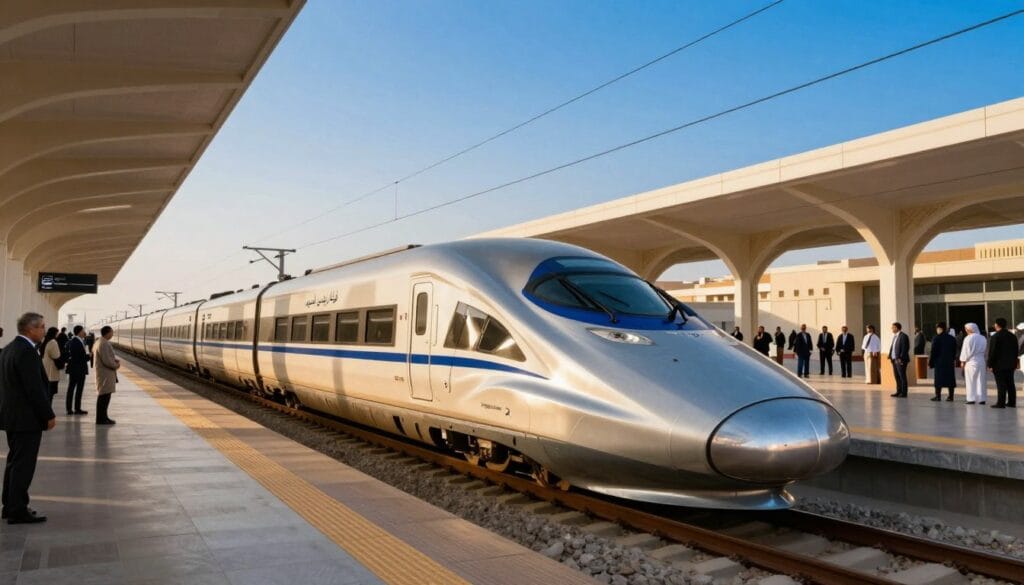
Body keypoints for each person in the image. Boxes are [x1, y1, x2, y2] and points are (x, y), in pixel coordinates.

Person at [0, 312, 57, 524]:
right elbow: (34, 390)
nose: (44, 330)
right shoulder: (26, 352)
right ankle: (17, 510)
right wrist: (48, 415)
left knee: (15, 463)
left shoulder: (8, 349)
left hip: (13, 418)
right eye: (42, 326)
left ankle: (10, 505)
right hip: (26, 420)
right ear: (30, 329)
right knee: (23, 465)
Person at [987, 318, 1018, 409]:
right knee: (1010, 383)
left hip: (999, 364)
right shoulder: (1012, 336)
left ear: (997, 325)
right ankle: (1012, 402)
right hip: (1010, 364)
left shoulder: (996, 336)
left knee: (1001, 384)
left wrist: (990, 364)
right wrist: (1015, 362)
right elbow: (1016, 350)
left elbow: (992, 352)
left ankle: (1001, 403)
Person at [94, 326, 120, 425]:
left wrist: (113, 360)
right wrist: (116, 365)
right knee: (104, 397)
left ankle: (104, 417)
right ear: (107, 333)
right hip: (105, 374)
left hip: (104, 374)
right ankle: (101, 419)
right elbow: (107, 361)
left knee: (105, 397)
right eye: (112, 332)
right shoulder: (104, 343)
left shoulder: (100, 342)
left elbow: (106, 358)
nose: (113, 334)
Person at [928, 322, 957, 402]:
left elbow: (933, 351)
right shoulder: (952, 338)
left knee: (938, 380)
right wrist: (953, 359)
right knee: (950, 379)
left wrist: (931, 363)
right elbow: (954, 351)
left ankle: (938, 396)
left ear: (939, 329)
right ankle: (951, 396)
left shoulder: (936, 338)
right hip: (949, 362)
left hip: (939, 362)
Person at [960, 323, 987, 405]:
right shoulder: (983, 338)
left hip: (971, 362)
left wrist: (962, 361)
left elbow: (965, 352)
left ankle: (971, 398)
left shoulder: (968, 338)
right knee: (981, 380)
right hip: (981, 361)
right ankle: (982, 398)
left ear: (969, 329)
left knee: (970, 381)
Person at [65, 326, 89, 416]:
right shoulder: (75, 341)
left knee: (78, 389)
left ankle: (77, 408)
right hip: (77, 369)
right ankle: (70, 409)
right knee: (72, 389)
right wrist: (88, 356)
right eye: (83, 331)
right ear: (79, 332)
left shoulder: (78, 341)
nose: (84, 332)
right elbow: (78, 356)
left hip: (78, 369)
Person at [38, 328, 62, 405]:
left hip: (45, 371)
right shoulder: (53, 342)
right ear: (54, 333)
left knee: (46, 395)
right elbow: (56, 356)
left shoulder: (45, 341)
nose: (58, 335)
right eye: (57, 333)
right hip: (51, 373)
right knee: (50, 395)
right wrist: (62, 365)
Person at [889, 322, 910, 398]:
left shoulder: (903, 336)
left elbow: (905, 348)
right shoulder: (895, 336)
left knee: (902, 376)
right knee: (896, 376)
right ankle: (898, 391)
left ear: (897, 328)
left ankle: (904, 393)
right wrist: (890, 356)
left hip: (900, 360)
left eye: (893, 327)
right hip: (894, 360)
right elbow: (893, 348)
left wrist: (900, 358)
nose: (892, 329)